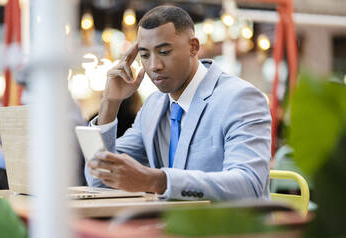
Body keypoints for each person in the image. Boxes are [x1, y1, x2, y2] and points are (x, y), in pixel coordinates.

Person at [85, 5, 271, 201]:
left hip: (229, 229)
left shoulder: (240, 98)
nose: (154, 66)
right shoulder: (154, 106)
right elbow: (99, 181)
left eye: (164, 52)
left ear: (193, 47)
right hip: (170, 226)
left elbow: (249, 184)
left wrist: (157, 181)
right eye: (145, 55)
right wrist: (110, 103)